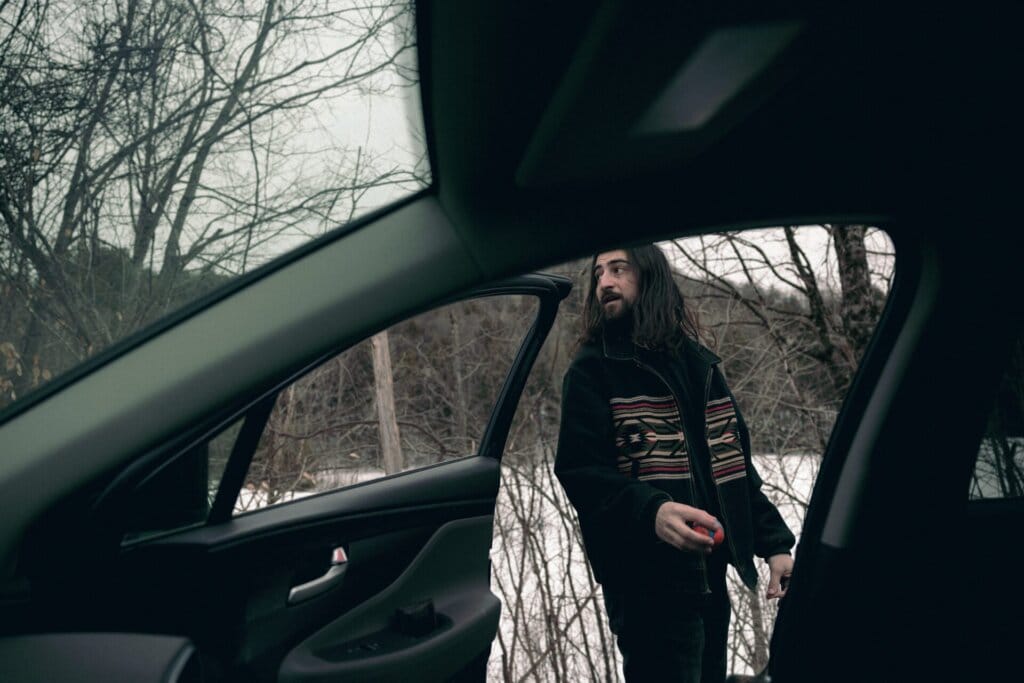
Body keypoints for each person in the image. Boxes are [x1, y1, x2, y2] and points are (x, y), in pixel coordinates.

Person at [554, 245, 796, 683]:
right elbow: (580, 472)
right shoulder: (592, 370)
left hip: (710, 580)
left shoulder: (700, 366)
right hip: (645, 589)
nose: (604, 281)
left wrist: (775, 544)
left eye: (618, 269)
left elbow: (734, 470)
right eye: (598, 273)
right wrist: (653, 511)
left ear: (650, 277)